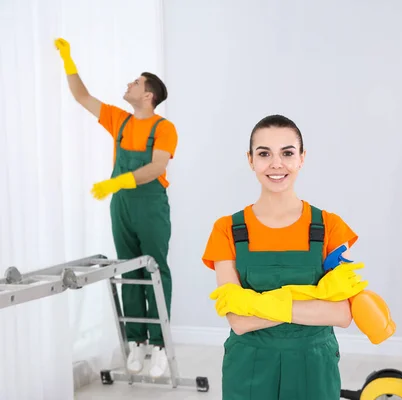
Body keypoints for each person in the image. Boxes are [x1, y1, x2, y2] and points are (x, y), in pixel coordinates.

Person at [202, 114, 369, 400]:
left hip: (313, 365)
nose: (276, 164)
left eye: (287, 153)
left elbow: (341, 313)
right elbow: (238, 321)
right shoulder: (227, 229)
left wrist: (259, 303)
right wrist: (310, 299)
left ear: (302, 158)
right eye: (264, 153)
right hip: (249, 367)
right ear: (250, 160)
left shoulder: (330, 227)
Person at [54, 38, 178, 378]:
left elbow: (156, 168)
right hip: (122, 205)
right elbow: (82, 97)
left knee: (154, 268)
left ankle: (161, 344)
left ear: (149, 94)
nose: (129, 84)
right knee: (128, 269)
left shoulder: (164, 128)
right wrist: (68, 59)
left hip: (150, 204)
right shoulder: (119, 121)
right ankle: (136, 340)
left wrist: (116, 182)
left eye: (136, 82)